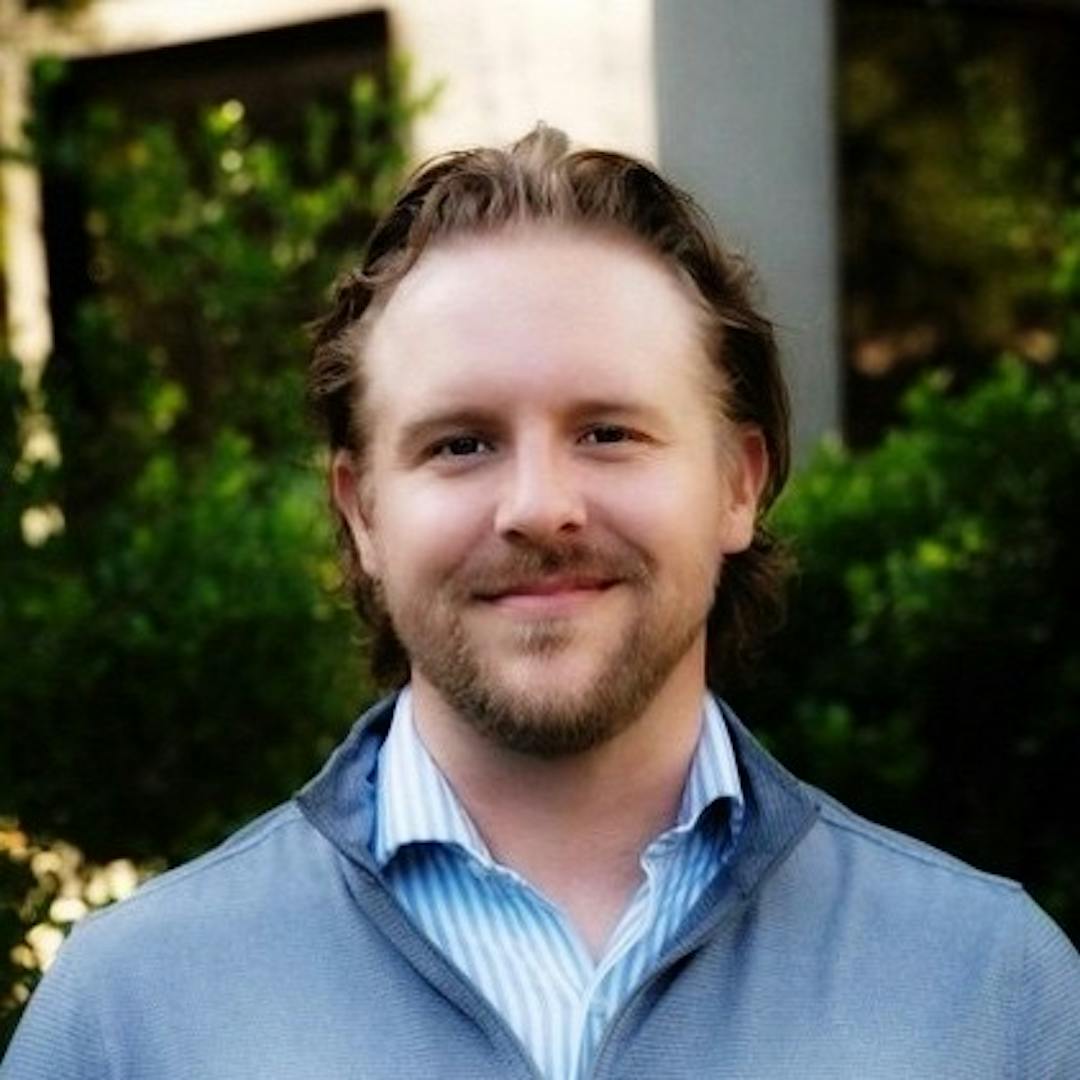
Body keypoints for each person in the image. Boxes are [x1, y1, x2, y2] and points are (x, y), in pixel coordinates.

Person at [3, 126, 1078, 1080]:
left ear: (739, 483)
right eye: (461, 443)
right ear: (363, 511)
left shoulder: (993, 994)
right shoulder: (129, 1018)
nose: (539, 507)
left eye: (609, 431)